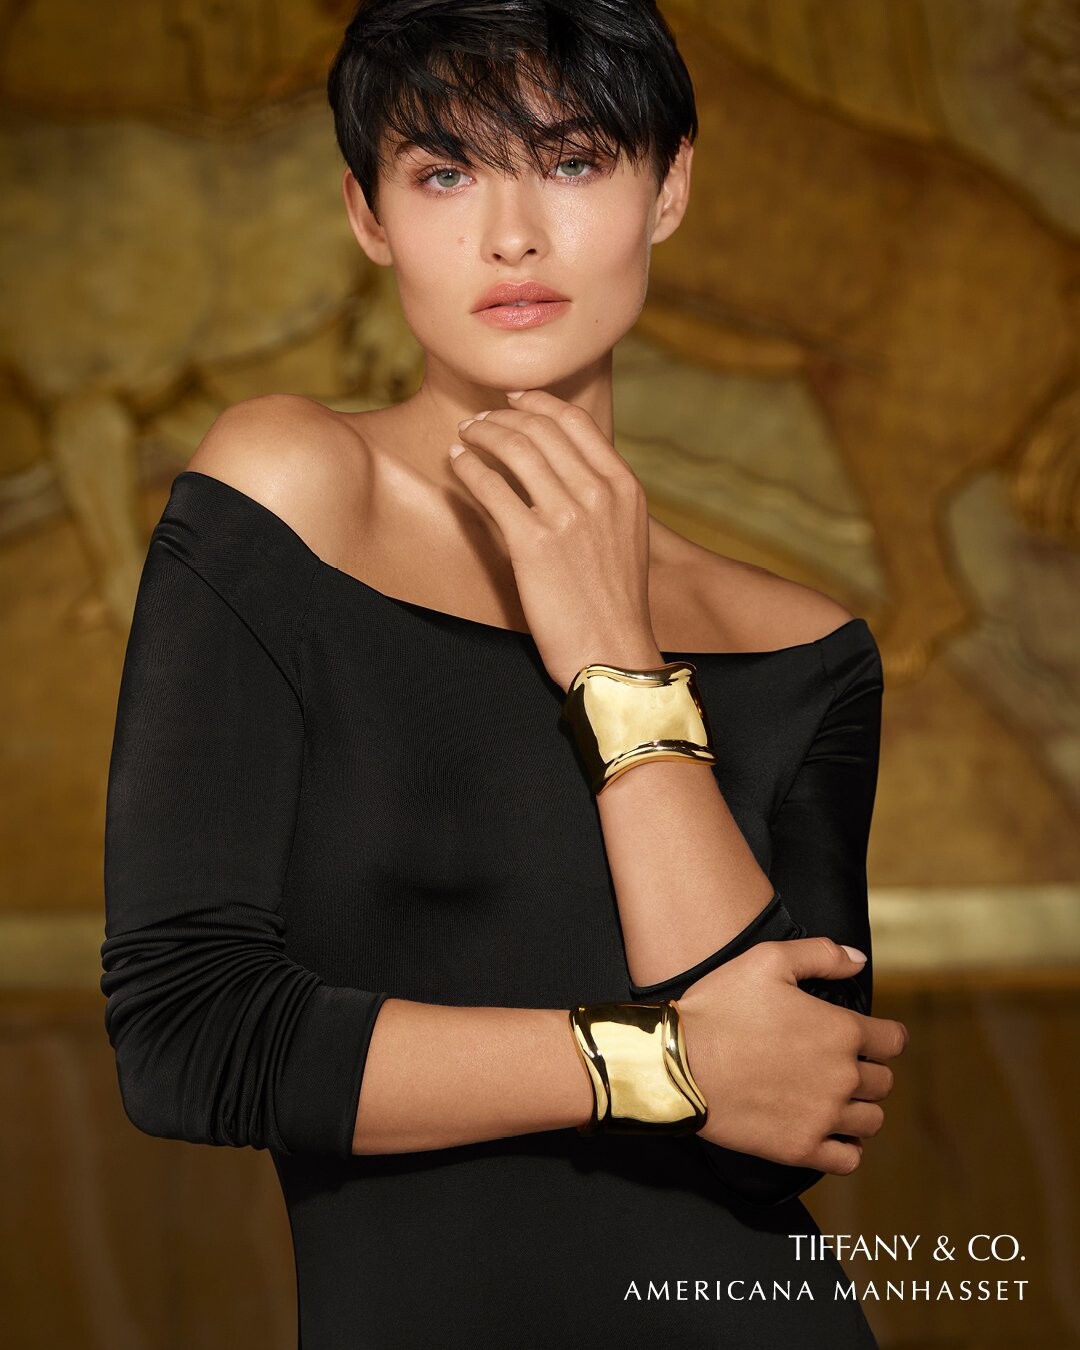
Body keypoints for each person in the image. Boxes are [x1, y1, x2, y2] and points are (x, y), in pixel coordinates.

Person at [100, 2, 909, 1346]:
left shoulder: (801, 648)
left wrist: (613, 654)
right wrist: (649, 1063)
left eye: (574, 160)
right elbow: (187, 1036)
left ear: (670, 187)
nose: (512, 235)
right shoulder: (292, 489)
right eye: (445, 173)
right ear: (368, 214)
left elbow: (784, 1120)